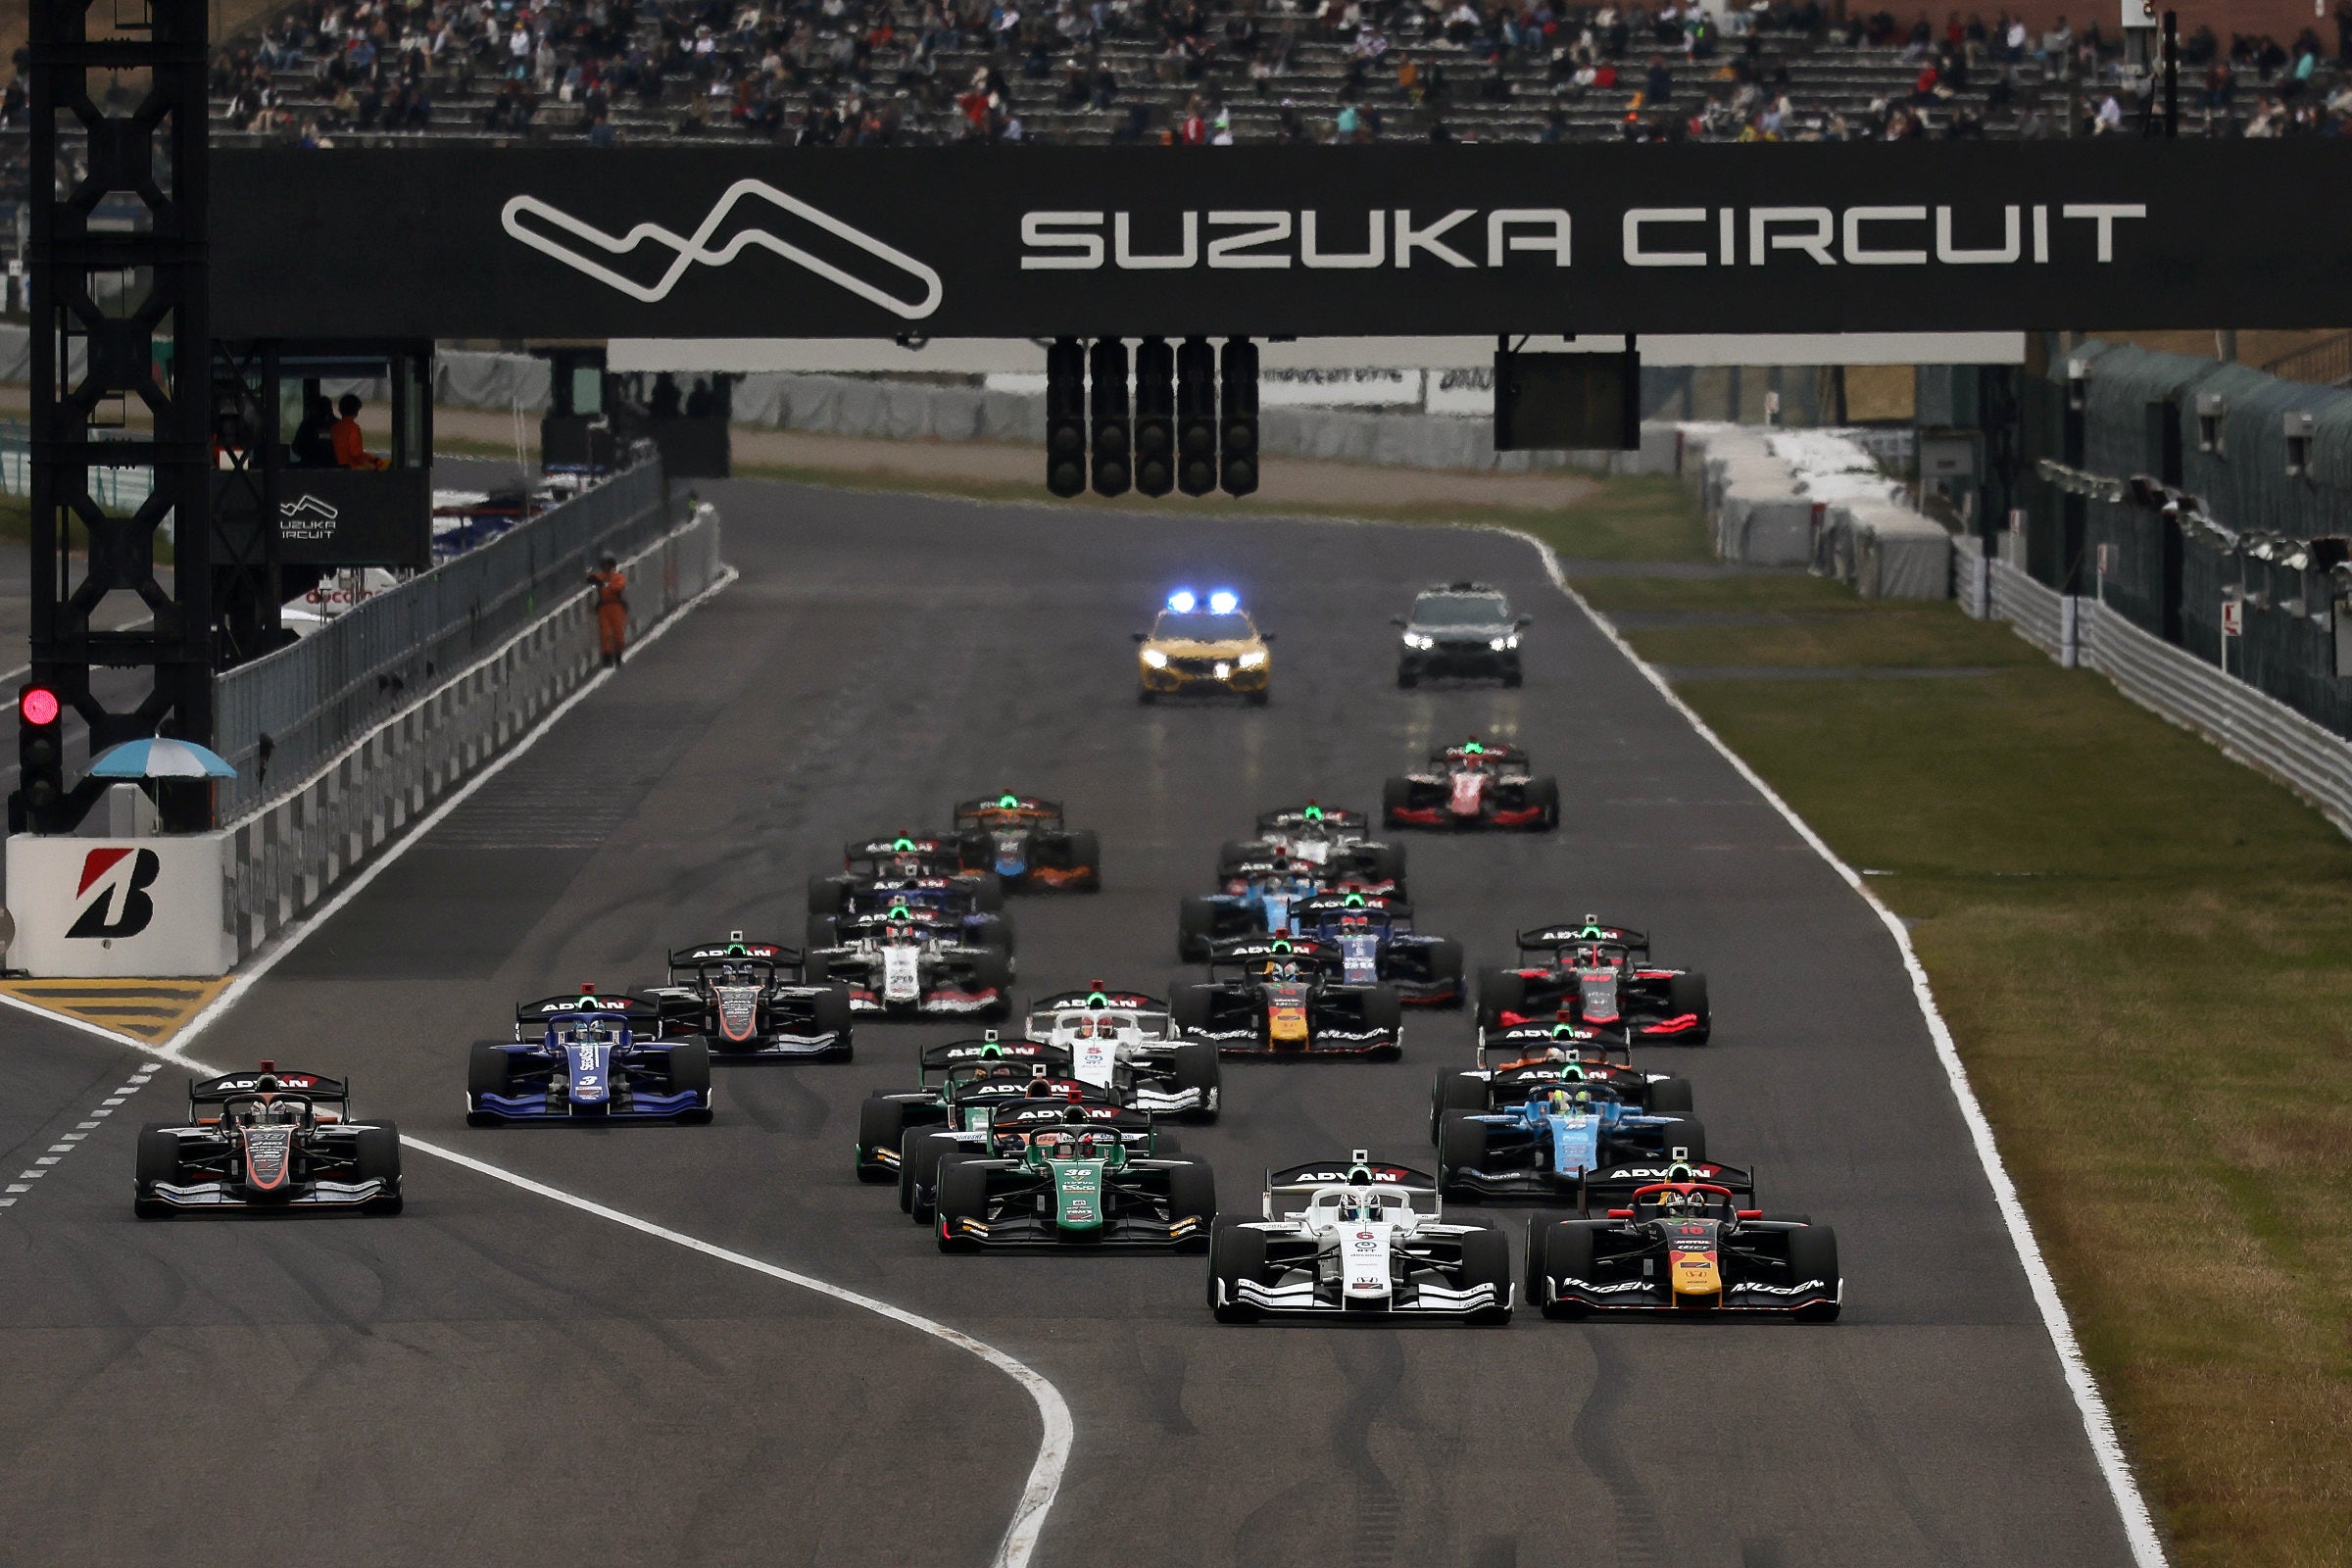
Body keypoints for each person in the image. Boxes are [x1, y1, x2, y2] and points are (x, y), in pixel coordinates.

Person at [588, 552, 629, 666]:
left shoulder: (618, 577)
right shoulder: (601, 577)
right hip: (604, 608)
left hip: (616, 607)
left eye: (608, 565)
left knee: (618, 634)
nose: (606, 567)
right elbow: (590, 578)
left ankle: (618, 656)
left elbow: (619, 587)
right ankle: (607, 657)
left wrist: (605, 585)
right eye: (604, 565)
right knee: (605, 633)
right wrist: (591, 577)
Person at [329, 393, 387, 469]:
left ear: (340, 409)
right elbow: (355, 453)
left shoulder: (335, 427)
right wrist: (370, 464)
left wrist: (372, 458)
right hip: (349, 468)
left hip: (334, 466)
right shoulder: (353, 428)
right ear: (356, 411)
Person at [289, 394, 336, 467]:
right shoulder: (338, 425)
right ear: (331, 409)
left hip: (310, 466)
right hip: (334, 467)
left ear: (315, 409)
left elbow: (296, 447)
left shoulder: (308, 424)